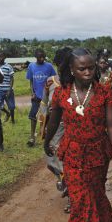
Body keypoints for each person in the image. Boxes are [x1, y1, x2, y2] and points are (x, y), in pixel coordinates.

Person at [43, 48, 112, 222]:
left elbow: (111, 125)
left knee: (96, 197)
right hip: (73, 154)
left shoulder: (104, 93)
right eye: (82, 68)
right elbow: (54, 120)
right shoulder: (61, 94)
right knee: (80, 204)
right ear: (72, 70)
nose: (88, 72)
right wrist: (47, 141)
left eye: (91, 67)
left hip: (98, 155)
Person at [38, 47, 70, 212]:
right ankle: (65, 182)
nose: (60, 69)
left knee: (69, 161)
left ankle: (72, 194)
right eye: (59, 66)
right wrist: (42, 127)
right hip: (55, 127)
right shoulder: (51, 82)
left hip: (73, 127)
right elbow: (44, 104)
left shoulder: (77, 82)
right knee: (52, 159)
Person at [26, 48, 56, 147]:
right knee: (33, 115)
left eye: (43, 57)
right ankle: (32, 137)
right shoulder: (31, 66)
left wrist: (51, 93)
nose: (42, 59)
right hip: (36, 96)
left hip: (46, 96)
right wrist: (32, 92)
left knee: (46, 116)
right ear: (36, 57)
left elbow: (54, 80)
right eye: (39, 57)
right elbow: (31, 81)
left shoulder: (49, 66)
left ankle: (45, 135)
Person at [0, 51, 16, 124]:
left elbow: (12, 78)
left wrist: (10, 89)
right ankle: (7, 113)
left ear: (5, 57)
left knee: (11, 106)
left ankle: (13, 120)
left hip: (8, 89)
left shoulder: (8, 66)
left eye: (1, 56)